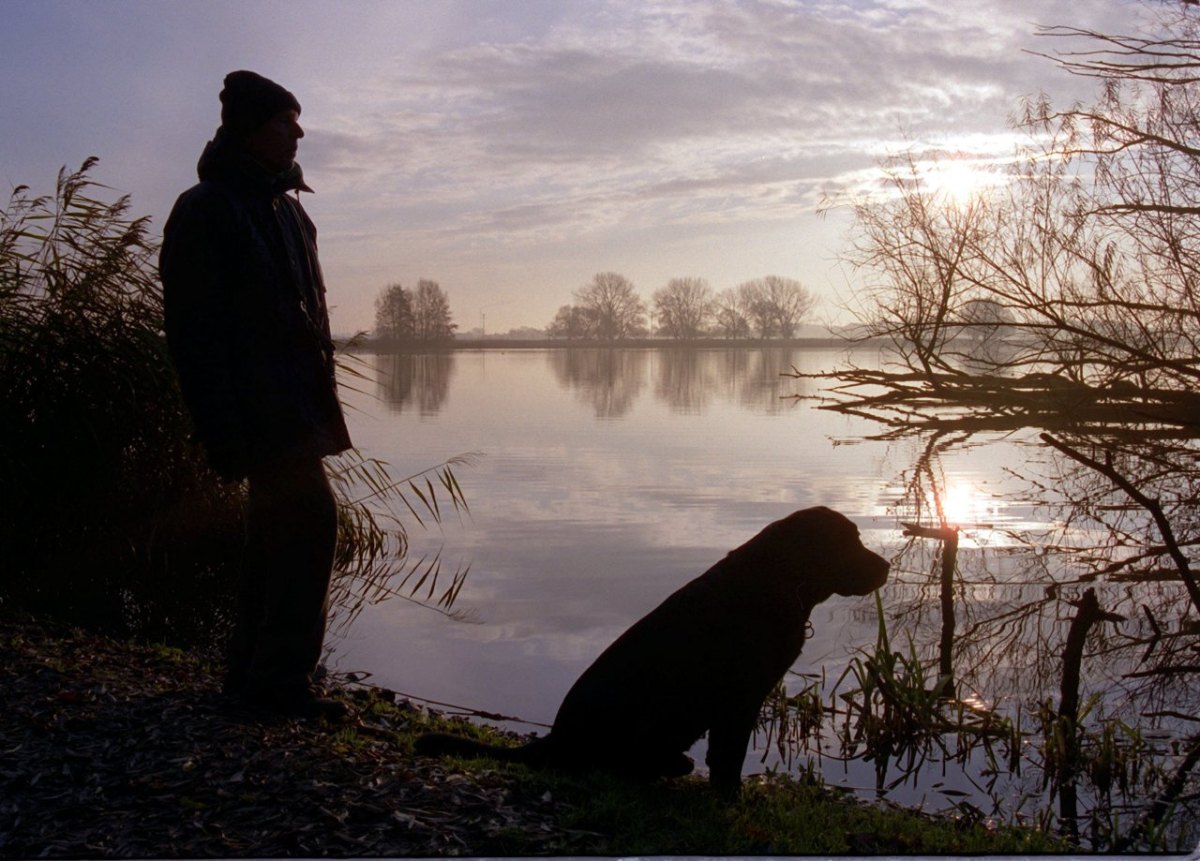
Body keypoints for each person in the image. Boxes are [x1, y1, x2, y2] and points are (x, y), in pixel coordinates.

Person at [160, 71, 352, 720]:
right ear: (248, 129)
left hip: (298, 412)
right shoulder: (206, 209)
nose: (298, 132)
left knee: (274, 539)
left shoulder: (292, 213)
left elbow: (310, 322)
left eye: (298, 121)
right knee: (312, 525)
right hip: (258, 415)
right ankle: (277, 686)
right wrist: (221, 429)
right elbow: (195, 333)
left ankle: (249, 677)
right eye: (283, 122)